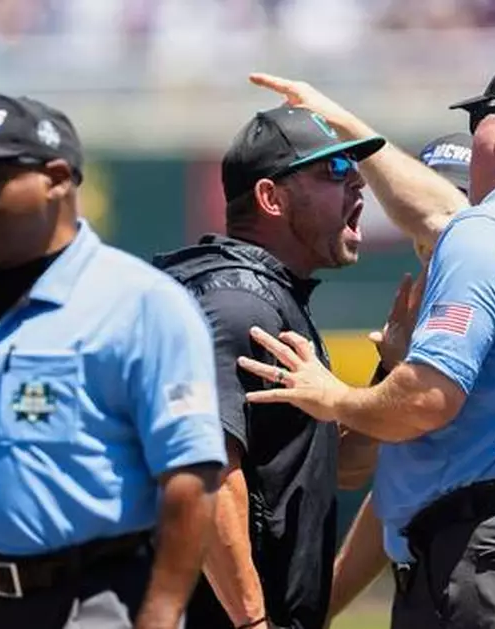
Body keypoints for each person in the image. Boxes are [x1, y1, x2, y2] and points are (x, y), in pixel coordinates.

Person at [238, 49, 495, 629]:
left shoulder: (487, 233)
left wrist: (334, 397)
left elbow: (425, 400)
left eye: (479, 121)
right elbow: (442, 216)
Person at [0, 91, 226, 629]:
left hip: (91, 601)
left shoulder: (142, 303)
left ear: (56, 178)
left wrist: (161, 614)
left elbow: (191, 476)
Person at [154, 105, 386, 629]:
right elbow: (208, 472)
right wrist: (253, 621)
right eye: (335, 171)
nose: (358, 184)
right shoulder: (237, 304)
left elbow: (337, 469)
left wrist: (389, 373)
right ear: (270, 197)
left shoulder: (267, 296)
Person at [329, 132, 473, 622]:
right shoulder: (423, 311)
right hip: (437, 581)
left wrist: (333, 397)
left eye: (460, 200)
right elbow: (379, 476)